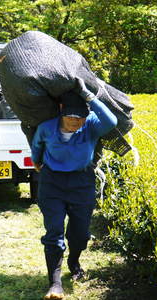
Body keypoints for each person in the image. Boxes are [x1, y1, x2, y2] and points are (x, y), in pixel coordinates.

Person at [31, 78, 118, 299]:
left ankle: (74, 261)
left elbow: (112, 121)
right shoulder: (46, 128)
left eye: (80, 117)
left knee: (80, 233)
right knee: (54, 233)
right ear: (61, 110)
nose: (75, 122)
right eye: (71, 117)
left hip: (82, 182)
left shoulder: (90, 127)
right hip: (52, 184)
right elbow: (37, 147)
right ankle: (55, 283)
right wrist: (37, 162)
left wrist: (89, 97)